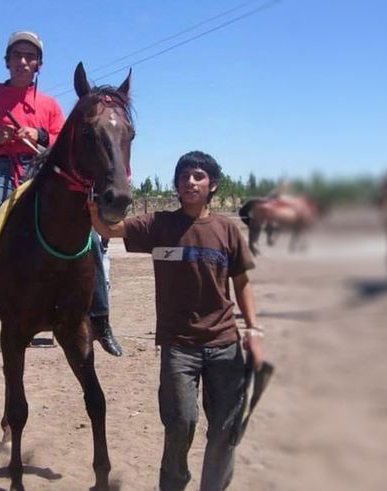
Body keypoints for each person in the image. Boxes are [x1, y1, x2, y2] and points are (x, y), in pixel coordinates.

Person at [89, 151, 265, 490]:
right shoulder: (158, 225)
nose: (190, 181)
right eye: (184, 176)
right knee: (180, 423)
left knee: (225, 428)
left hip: (224, 345)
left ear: (213, 184)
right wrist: (93, 206)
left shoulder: (227, 230)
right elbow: (108, 227)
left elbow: (241, 282)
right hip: (178, 347)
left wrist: (253, 329)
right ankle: (174, 483)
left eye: (198, 176)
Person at [0, 30, 122, 356]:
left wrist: (41, 134)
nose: (23, 62)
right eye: (17, 55)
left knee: (92, 239)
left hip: (44, 175)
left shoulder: (50, 105)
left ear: (39, 64)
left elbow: (66, 141)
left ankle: (100, 318)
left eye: (30, 57)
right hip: (4, 173)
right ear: (8, 61)